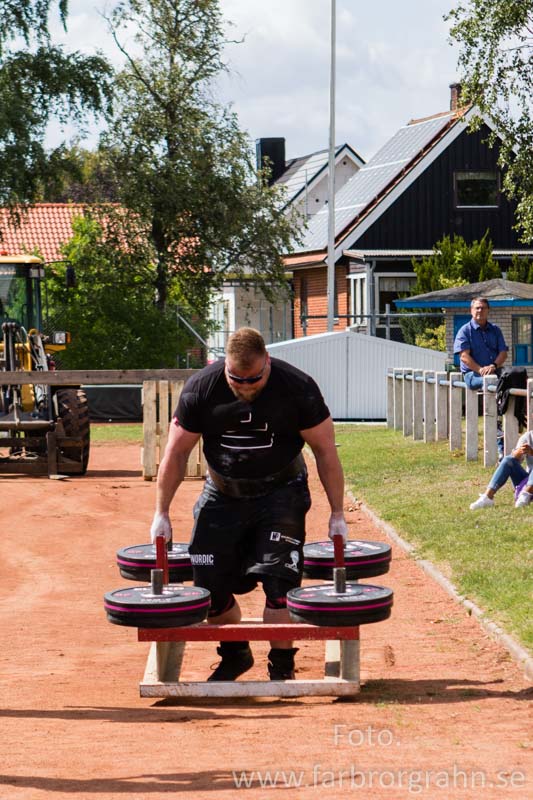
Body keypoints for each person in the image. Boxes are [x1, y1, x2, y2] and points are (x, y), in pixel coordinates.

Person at [150, 327, 348, 682]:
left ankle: (282, 667)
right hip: (223, 493)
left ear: (267, 363)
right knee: (208, 585)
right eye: (236, 379)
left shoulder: (297, 387)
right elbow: (176, 452)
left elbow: (325, 451)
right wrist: (161, 513)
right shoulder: (202, 388)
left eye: (253, 379)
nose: (244, 387)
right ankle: (236, 653)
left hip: (281, 492)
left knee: (278, 583)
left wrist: (337, 513)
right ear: (224, 366)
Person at [454, 297, 508, 390]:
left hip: (494, 370)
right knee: (494, 382)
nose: (480, 310)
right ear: (471, 310)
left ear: (488, 311)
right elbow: (464, 356)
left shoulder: (495, 330)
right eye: (477, 308)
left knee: (517, 378)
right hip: (473, 374)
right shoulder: (465, 331)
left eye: (483, 308)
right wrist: (480, 370)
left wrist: (493, 366)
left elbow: (503, 353)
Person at [470, 429, 533, 509]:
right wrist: (518, 453)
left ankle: (527, 494)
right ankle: (488, 497)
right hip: (527, 482)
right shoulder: (528, 436)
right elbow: (516, 459)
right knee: (508, 460)